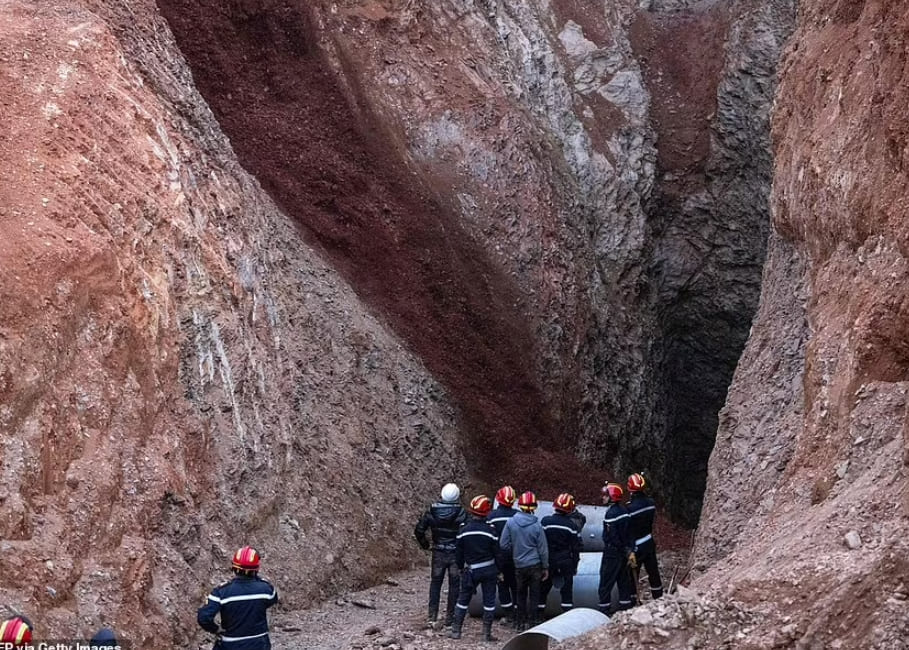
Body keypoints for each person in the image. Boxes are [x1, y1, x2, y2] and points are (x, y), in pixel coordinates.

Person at [197, 545, 279, 649]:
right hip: (259, 643)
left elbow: (204, 618)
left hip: (231, 644)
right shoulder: (266, 589)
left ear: (234, 567)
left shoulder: (221, 592)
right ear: (256, 568)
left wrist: (216, 629)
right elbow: (273, 600)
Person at [414, 482, 468, 626]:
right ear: (457, 495)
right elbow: (466, 534)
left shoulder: (432, 510)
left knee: (436, 583)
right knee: (454, 585)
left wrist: (426, 545)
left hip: (438, 551)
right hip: (455, 553)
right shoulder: (462, 512)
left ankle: (432, 616)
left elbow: (419, 530)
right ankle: (450, 618)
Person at [450, 495, 500, 642]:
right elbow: (498, 552)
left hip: (471, 570)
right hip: (489, 569)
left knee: (463, 599)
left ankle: (456, 630)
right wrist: (499, 569)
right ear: (486, 512)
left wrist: (460, 567)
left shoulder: (464, 530)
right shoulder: (491, 530)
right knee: (489, 601)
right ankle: (486, 633)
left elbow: (458, 552)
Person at [500, 491, 548, 631]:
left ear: (519, 505)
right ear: (534, 507)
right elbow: (543, 549)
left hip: (519, 565)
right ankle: (532, 623)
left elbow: (503, 544)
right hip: (535, 565)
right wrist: (545, 567)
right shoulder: (537, 525)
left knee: (520, 594)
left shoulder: (510, 522)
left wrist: (515, 550)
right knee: (534, 594)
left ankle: (519, 624)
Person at [540, 493, 582, 616]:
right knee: (566, 591)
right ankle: (566, 617)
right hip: (565, 561)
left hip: (549, 560)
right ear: (569, 510)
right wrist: (574, 565)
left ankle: (537, 617)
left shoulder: (545, 522)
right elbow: (576, 548)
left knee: (543, 589)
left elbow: (540, 543)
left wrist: (542, 563)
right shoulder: (572, 526)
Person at [597, 482, 635, 614]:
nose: (603, 498)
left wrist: (620, 547)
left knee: (605, 584)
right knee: (623, 582)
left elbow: (612, 536)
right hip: (624, 554)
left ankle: (604, 611)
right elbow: (630, 533)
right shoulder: (625, 511)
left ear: (612, 496)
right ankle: (626, 611)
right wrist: (629, 550)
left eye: (605, 495)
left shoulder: (611, 514)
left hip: (612, 553)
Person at [626, 473, 663, 604]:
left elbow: (628, 530)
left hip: (636, 547)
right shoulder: (651, 503)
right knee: (653, 572)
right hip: (649, 542)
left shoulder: (630, 509)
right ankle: (659, 599)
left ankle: (632, 601)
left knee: (632, 574)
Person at [486, 485, 518, 622]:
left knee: (502, 585)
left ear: (498, 499)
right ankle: (518, 612)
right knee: (516, 585)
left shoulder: (491, 516)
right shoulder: (518, 515)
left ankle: (509, 614)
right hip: (517, 557)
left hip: (498, 558)